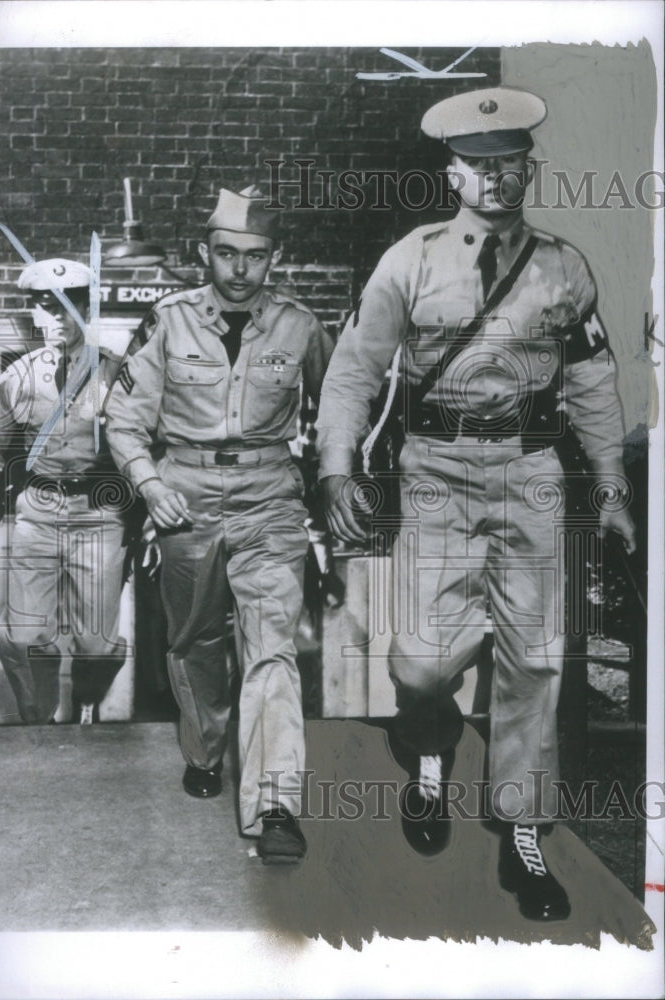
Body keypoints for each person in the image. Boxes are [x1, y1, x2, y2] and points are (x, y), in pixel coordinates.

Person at [317, 87, 636, 920]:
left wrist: (609, 485)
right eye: (479, 165)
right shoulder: (410, 260)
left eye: (511, 164)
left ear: (527, 169)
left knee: (535, 658)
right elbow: (353, 372)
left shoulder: (563, 267)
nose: (496, 179)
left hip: (533, 470)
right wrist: (336, 469)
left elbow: (592, 381)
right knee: (421, 661)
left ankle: (522, 834)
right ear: (451, 171)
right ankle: (426, 750)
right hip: (434, 470)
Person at [104, 186, 333, 863]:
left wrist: (336, 480)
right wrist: (148, 484)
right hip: (186, 495)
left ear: (274, 258)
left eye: (255, 256)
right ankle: (205, 747)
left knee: (273, 650)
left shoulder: (300, 325)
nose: (240, 269)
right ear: (206, 253)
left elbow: (343, 408)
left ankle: (275, 806)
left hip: (269, 499)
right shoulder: (167, 322)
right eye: (227, 254)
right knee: (196, 640)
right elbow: (122, 419)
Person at [0, 258, 130, 725]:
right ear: (33, 313)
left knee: (96, 643)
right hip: (36, 510)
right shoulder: (18, 378)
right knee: (25, 636)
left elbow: (146, 445)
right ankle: (39, 723)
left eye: (66, 309)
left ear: (86, 311)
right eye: (44, 309)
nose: (55, 321)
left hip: (97, 511)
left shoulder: (115, 374)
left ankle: (87, 701)